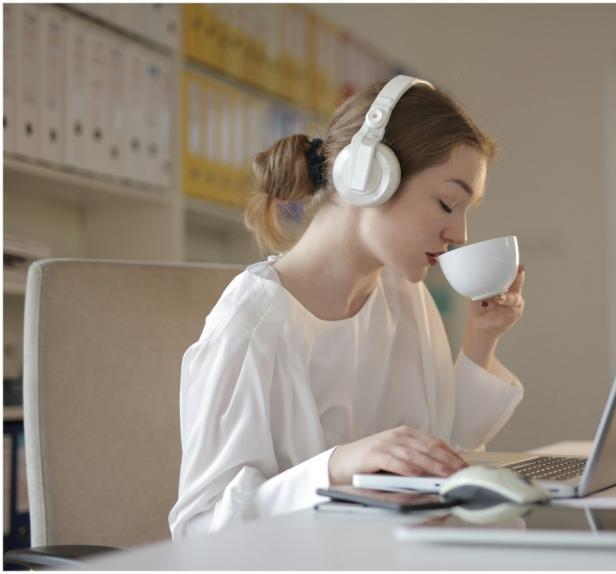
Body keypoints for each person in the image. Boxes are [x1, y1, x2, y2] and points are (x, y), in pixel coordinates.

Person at [168, 76, 527, 539]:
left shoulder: (404, 295)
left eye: (466, 211)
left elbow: (439, 452)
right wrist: (335, 468)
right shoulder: (254, 324)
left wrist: (482, 340)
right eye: (447, 203)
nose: (459, 234)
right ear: (368, 178)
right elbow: (199, 532)